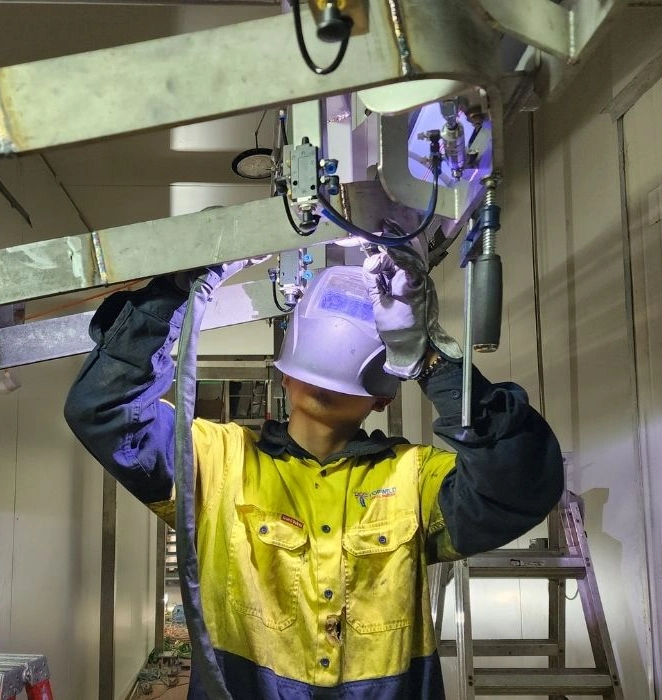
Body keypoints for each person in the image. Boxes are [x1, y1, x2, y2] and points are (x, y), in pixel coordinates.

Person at [63, 242, 563, 699]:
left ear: (384, 396)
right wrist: (176, 291)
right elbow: (104, 409)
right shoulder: (219, 461)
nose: (330, 368)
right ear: (284, 374)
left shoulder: (414, 477)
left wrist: (429, 361)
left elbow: (519, 484)